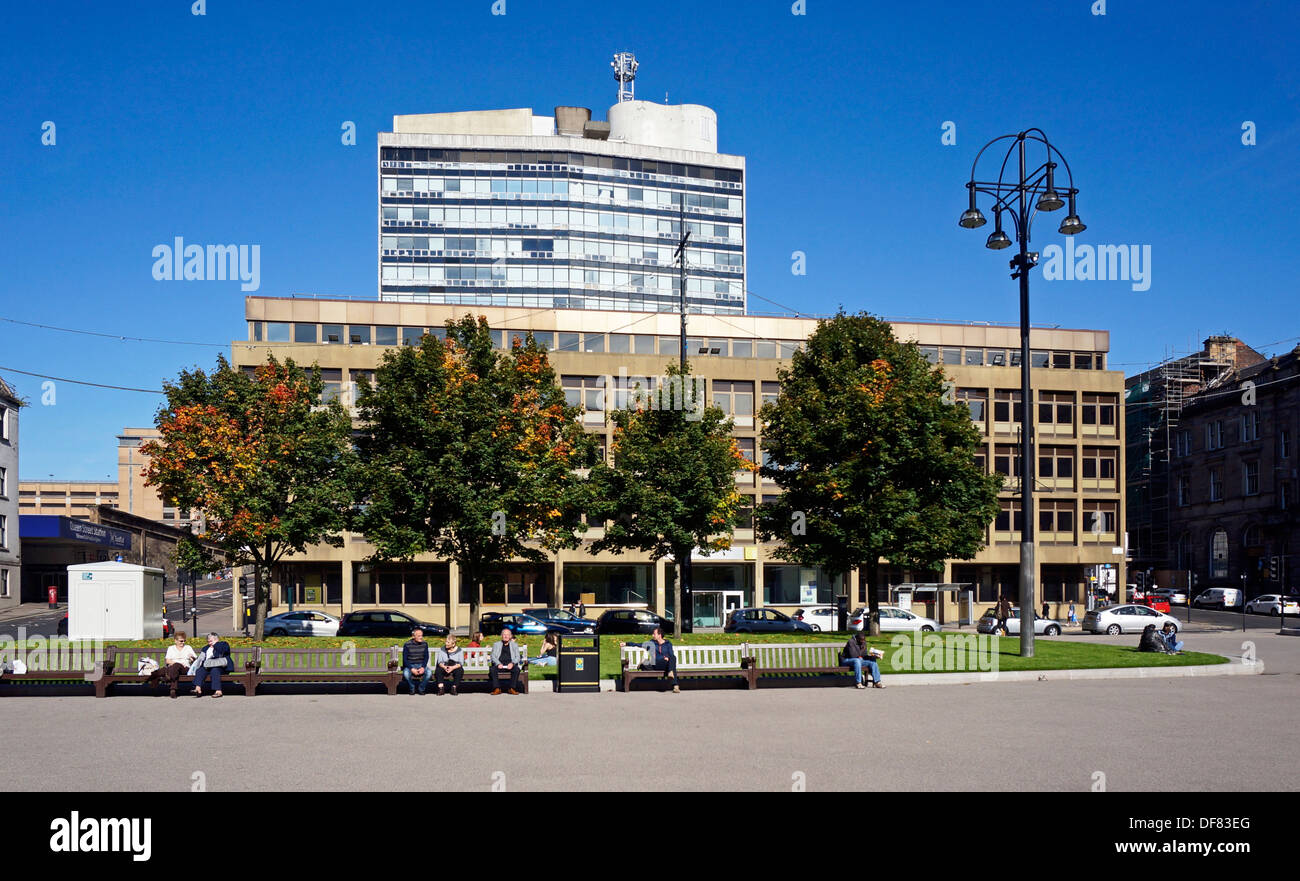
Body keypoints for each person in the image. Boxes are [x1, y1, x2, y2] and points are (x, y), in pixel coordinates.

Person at [623, 626, 678, 692]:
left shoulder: (668, 644)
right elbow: (639, 644)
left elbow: (671, 654)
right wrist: (626, 643)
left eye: (654, 634)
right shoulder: (651, 643)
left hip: (666, 664)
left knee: (673, 658)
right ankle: (675, 685)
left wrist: (668, 658)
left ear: (659, 635)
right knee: (671, 666)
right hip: (656, 664)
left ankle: (671, 674)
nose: (652, 635)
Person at [153, 631, 196, 699]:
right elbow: (167, 660)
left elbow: (195, 659)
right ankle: (173, 690)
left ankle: (167, 678)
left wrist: (192, 658)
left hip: (185, 668)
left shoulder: (188, 647)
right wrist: (177, 663)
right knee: (174, 667)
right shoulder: (171, 648)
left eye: (184, 641)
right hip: (173, 668)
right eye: (181, 641)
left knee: (167, 669)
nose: (183, 642)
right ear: (175, 641)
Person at [192, 632, 232, 698]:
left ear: (217, 640)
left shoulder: (223, 644)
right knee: (200, 670)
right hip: (208, 667)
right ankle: (198, 689)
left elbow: (225, 650)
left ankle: (218, 691)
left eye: (211, 641)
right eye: (208, 641)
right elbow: (201, 659)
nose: (209, 643)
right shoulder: (205, 648)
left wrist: (215, 645)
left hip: (221, 667)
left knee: (215, 670)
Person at [489, 627, 524, 695]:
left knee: (516, 670)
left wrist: (512, 663)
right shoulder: (496, 644)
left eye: (507, 634)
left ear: (510, 636)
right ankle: (497, 688)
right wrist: (498, 663)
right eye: (504, 634)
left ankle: (512, 688)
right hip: (500, 665)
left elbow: (517, 657)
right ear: (501, 636)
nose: (506, 636)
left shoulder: (514, 645)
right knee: (492, 669)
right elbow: (493, 656)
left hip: (510, 665)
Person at [401, 628, 432, 695]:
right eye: (419, 636)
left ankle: (421, 688)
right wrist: (411, 669)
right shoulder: (407, 644)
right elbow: (405, 659)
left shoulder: (424, 644)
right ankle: (412, 688)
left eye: (421, 635)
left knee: (429, 673)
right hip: (410, 665)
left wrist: (423, 667)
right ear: (413, 636)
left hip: (421, 664)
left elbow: (426, 657)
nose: (421, 637)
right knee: (406, 674)